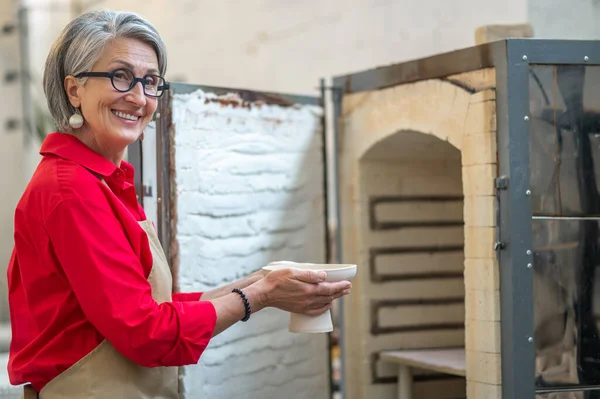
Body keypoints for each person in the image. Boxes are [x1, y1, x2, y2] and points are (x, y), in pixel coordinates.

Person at [6, 10, 351, 399]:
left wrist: (257, 281)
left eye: (150, 82)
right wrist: (262, 296)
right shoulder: (71, 191)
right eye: (120, 76)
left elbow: (151, 305)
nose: (138, 97)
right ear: (74, 90)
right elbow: (146, 331)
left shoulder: (103, 182)